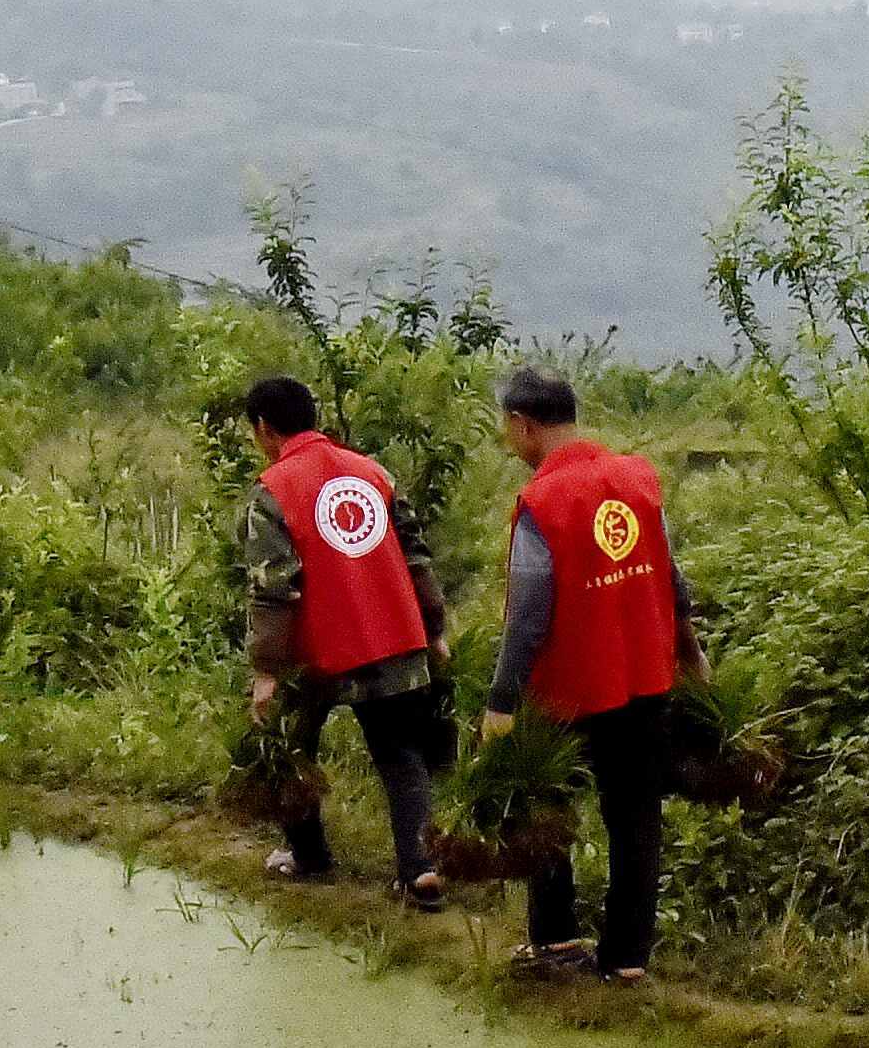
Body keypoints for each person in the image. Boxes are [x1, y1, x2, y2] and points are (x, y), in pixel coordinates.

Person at [483, 368, 692, 982]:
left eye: (508, 429)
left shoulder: (541, 503)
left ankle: (555, 941)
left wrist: (501, 701)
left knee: (549, 808)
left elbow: (527, 614)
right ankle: (627, 959)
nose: (510, 440)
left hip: (570, 690)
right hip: (644, 678)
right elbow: (672, 576)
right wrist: (692, 651)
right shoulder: (638, 478)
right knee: (635, 819)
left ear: (524, 425)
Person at [233, 373, 453, 895]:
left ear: (264, 429)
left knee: (290, 752)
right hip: (395, 637)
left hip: (319, 653)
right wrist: (436, 628)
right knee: (402, 756)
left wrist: (266, 672)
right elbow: (416, 556)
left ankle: (309, 857)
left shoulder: (272, 492)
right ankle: (419, 867)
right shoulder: (372, 473)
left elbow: (272, 588)